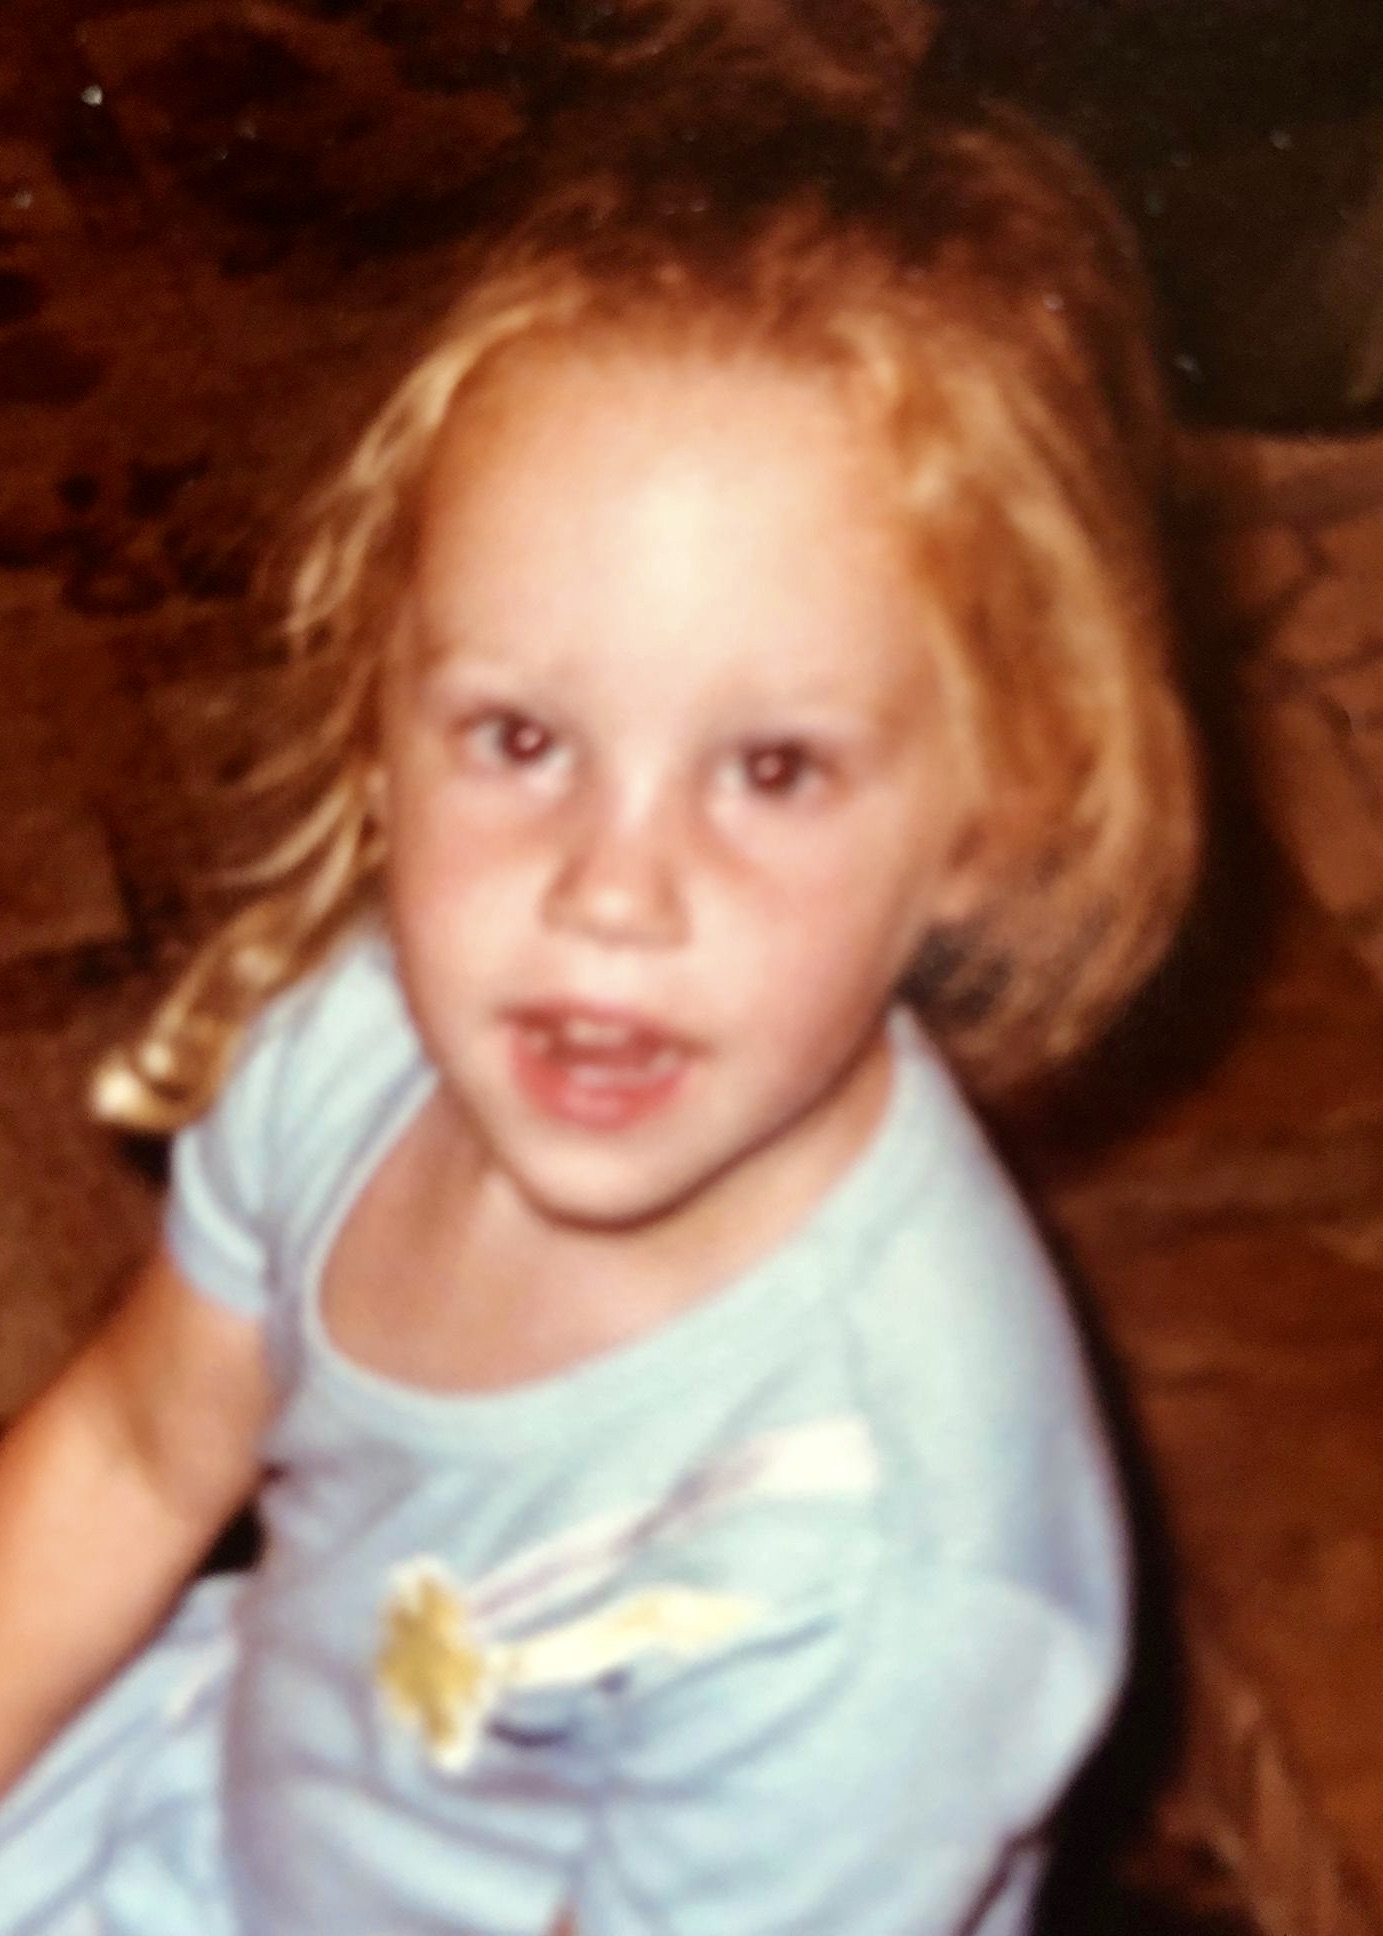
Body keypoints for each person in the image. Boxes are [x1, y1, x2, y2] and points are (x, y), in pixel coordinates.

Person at [0, 71, 1198, 1936]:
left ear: (994, 814)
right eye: (521, 739)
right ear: (382, 724)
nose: (610, 892)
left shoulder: (889, 1562)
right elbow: (133, 1455)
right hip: (234, 1804)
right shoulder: (361, 1039)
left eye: (773, 770)